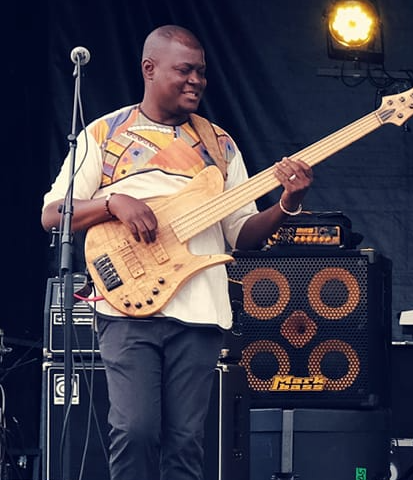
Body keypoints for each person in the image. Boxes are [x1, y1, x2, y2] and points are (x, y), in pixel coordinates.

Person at [39, 25, 312, 480]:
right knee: (136, 429)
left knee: (186, 443)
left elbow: (242, 234)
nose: (197, 81)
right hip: (128, 308)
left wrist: (288, 203)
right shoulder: (105, 133)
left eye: (201, 73)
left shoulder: (219, 145)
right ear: (149, 68)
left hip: (200, 311)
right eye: (184, 70)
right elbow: (53, 214)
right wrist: (114, 202)